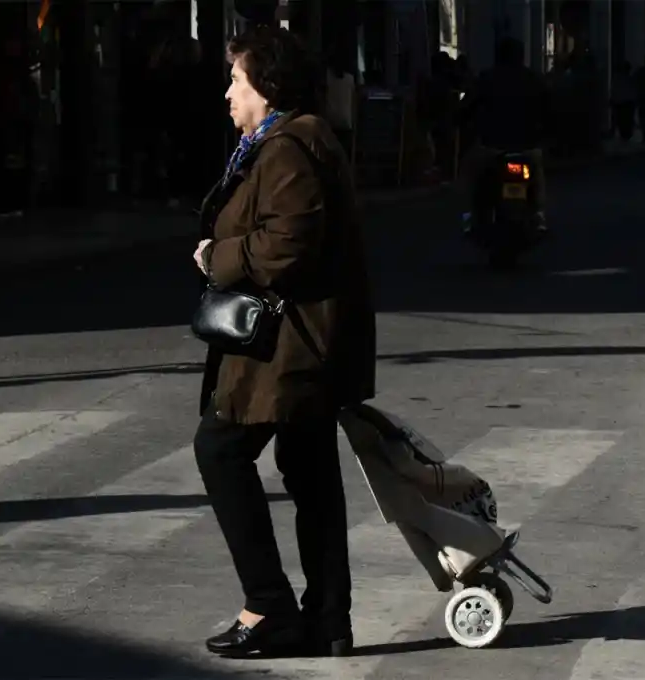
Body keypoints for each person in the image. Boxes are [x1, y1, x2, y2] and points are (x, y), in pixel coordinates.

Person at [190, 26, 377, 659]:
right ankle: (327, 618)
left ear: (266, 88)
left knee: (219, 448)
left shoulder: (288, 149)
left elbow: (287, 246)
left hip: (290, 346)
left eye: (236, 81)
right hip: (307, 342)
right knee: (311, 473)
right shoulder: (280, 143)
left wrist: (220, 255)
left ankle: (268, 606)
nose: (227, 94)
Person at [458, 38, 550, 231]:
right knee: (537, 174)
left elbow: (466, 107)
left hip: (492, 146)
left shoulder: (487, 78)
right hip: (527, 146)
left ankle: (469, 216)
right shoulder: (533, 79)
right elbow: (550, 109)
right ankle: (539, 214)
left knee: (470, 171)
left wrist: (461, 119)